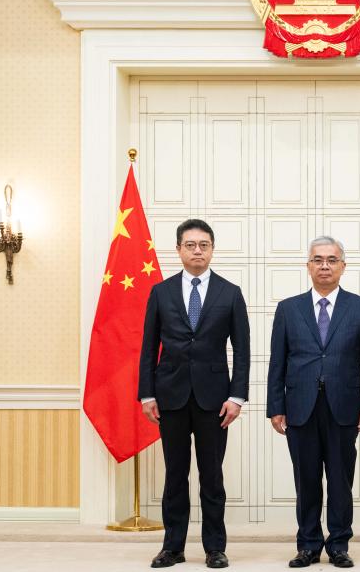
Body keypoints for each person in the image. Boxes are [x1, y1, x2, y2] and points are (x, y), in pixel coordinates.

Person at [138, 219, 250, 569]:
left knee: (212, 476)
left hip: (215, 400)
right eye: (190, 245)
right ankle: (173, 547)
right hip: (169, 396)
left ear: (212, 249)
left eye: (204, 245)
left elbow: (243, 350)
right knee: (175, 475)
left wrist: (237, 397)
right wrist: (146, 394)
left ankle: (215, 548)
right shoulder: (161, 292)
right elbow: (148, 347)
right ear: (178, 250)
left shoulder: (230, 293)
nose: (197, 250)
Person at [267, 236, 360, 569]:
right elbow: (278, 361)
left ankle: (339, 545)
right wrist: (276, 406)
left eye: (332, 260)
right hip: (300, 406)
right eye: (318, 260)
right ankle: (307, 545)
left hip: (344, 406)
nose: (325, 266)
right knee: (306, 480)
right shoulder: (288, 309)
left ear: (343, 266)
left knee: (340, 480)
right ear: (308, 266)